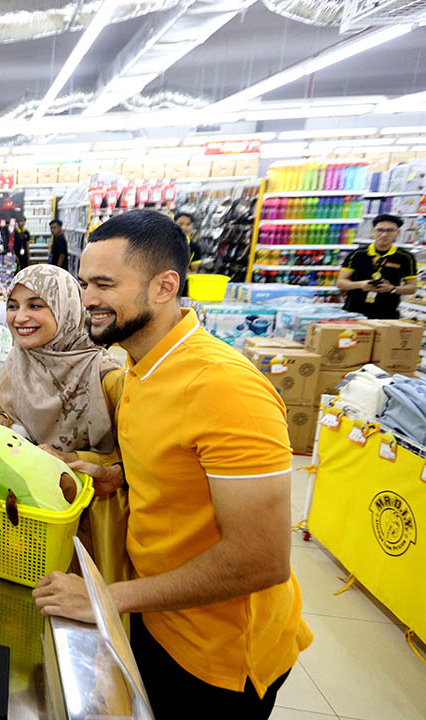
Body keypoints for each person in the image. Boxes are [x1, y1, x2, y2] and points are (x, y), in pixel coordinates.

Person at [33, 210, 311, 719]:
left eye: (104, 284)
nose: (87, 298)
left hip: (217, 659)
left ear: (164, 287)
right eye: (83, 282)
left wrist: (105, 598)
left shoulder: (224, 388)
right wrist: (114, 475)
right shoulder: (140, 366)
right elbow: (177, 470)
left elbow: (261, 559)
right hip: (158, 616)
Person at [0, 264, 122, 466]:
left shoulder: (106, 375)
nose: (19, 318)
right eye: (12, 306)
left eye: (35, 306)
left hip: (91, 494)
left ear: (66, 309)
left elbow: (131, 461)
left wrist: (67, 458)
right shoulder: (15, 364)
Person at [337, 214, 417, 319]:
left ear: (397, 233)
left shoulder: (405, 257)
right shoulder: (357, 254)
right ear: (372, 232)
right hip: (354, 312)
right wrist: (361, 284)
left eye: (390, 230)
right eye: (380, 230)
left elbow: (412, 287)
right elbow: (341, 283)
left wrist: (392, 289)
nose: (384, 234)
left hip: (387, 314)